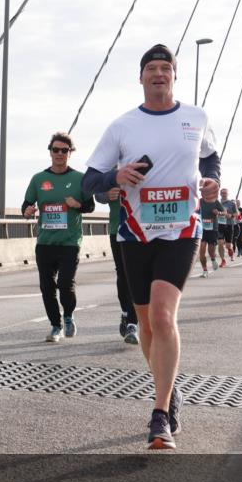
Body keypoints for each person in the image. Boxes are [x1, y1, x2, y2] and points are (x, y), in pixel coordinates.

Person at [83, 43, 221, 450]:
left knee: (162, 316)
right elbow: (90, 182)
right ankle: (169, 387)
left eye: (166, 68)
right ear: (140, 77)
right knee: (145, 324)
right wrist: (116, 174)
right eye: (151, 69)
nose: (159, 74)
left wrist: (211, 181)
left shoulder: (196, 118)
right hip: (135, 233)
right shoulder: (123, 126)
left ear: (174, 75)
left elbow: (210, 159)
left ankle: (160, 412)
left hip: (182, 229)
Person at [22, 132, 96, 342]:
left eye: (65, 150)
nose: (60, 154)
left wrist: (77, 205)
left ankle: (69, 316)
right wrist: (27, 211)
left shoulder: (80, 178)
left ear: (70, 153)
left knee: (65, 283)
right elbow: (26, 204)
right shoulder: (39, 179)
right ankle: (56, 326)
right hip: (45, 242)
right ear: (50, 152)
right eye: (56, 150)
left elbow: (91, 206)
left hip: (70, 242)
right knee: (47, 287)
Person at [95, 184, 140, 343]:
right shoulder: (112, 171)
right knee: (123, 274)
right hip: (118, 230)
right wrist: (107, 194)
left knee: (138, 276)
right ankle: (127, 313)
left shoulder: (145, 168)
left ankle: (133, 323)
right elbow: (98, 195)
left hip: (143, 230)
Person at [197, 196, 224, 277]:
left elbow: (224, 212)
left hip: (213, 229)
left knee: (211, 250)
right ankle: (205, 270)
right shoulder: (199, 201)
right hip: (201, 229)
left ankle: (213, 259)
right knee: (202, 251)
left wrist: (219, 213)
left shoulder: (215, 202)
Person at [217, 188, 237, 265]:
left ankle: (230, 249)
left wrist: (231, 215)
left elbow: (236, 214)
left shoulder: (232, 204)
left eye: (225, 193)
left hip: (229, 225)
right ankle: (223, 260)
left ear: (227, 194)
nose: (224, 194)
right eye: (222, 193)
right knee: (220, 243)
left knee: (228, 245)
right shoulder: (217, 203)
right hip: (219, 225)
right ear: (220, 194)